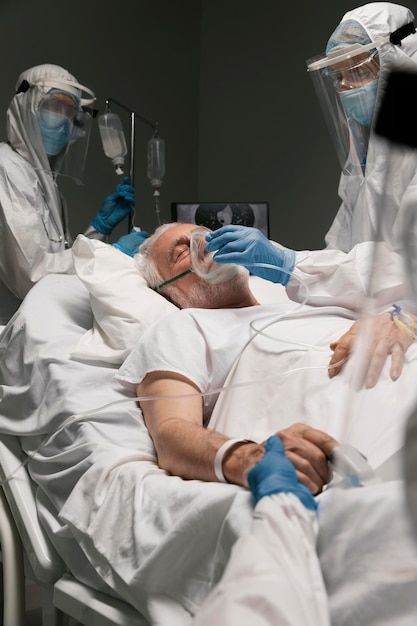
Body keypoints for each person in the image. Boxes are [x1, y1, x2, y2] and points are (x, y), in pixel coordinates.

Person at [0, 63, 148, 325]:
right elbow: (32, 276)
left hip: (39, 322)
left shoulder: (45, 182)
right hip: (8, 328)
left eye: (71, 114)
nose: (65, 122)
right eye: (55, 107)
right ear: (27, 108)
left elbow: (58, 263)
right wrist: (112, 254)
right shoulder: (6, 169)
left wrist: (98, 228)